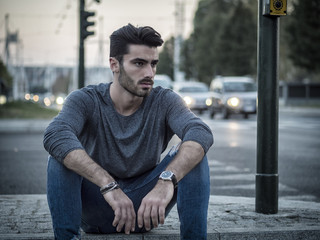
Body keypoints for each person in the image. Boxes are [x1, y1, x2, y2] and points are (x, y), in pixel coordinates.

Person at [43, 23, 213, 240]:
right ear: (114, 64)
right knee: (60, 155)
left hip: (145, 209)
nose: (149, 73)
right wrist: (108, 185)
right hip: (98, 208)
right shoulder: (85, 100)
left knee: (193, 151)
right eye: (139, 64)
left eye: (153, 64)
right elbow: (55, 134)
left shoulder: (165, 100)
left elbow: (200, 132)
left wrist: (166, 180)